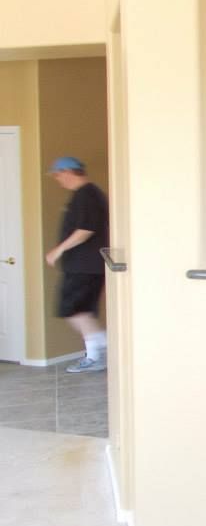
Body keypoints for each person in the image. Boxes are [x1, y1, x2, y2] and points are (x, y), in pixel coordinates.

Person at [45, 156, 110, 373]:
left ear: (68, 172)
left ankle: (103, 348)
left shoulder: (87, 195)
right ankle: (97, 352)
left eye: (57, 175)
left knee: (73, 309)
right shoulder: (84, 195)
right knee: (80, 310)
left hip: (86, 265)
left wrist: (58, 250)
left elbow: (85, 230)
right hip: (83, 265)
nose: (57, 180)